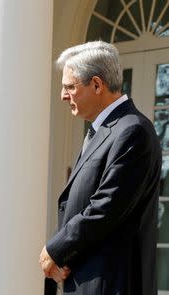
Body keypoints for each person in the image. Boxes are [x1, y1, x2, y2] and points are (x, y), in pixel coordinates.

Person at [39, 41, 161, 294]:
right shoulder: (104, 130)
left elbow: (105, 207)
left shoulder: (132, 131)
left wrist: (57, 249)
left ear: (97, 84)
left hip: (111, 283)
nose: (63, 95)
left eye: (70, 87)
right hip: (87, 279)